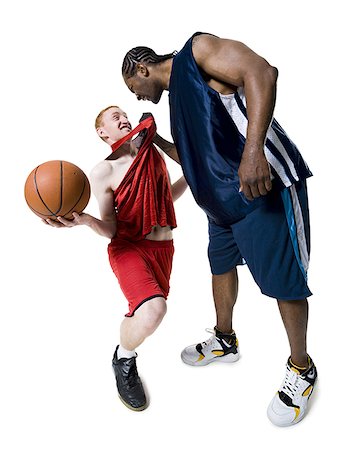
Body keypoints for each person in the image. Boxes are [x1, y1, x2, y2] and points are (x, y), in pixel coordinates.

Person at [122, 32, 317, 426]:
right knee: (220, 268)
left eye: (134, 88)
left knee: (284, 283)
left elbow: (262, 72)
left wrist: (253, 152)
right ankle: (225, 341)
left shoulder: (198, 52)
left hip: (259, 186)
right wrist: (155, 139)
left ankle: (302, 368)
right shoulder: (177, 102)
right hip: (221, 206)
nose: (138, 97)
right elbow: (192, 157)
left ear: (142, 68)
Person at [44, 106, 187, 411]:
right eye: (114, 117)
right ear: (102, 132)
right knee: (153, 311)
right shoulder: (103, 172)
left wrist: (192, 175)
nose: (123, 117)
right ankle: (123, 356)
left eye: (124, 113)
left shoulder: (153, 155)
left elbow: (165, 198)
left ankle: (127, 345)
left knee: (150, 311)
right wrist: (84, 220)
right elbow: (111, 226)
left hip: (164, 250)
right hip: (128, 248)